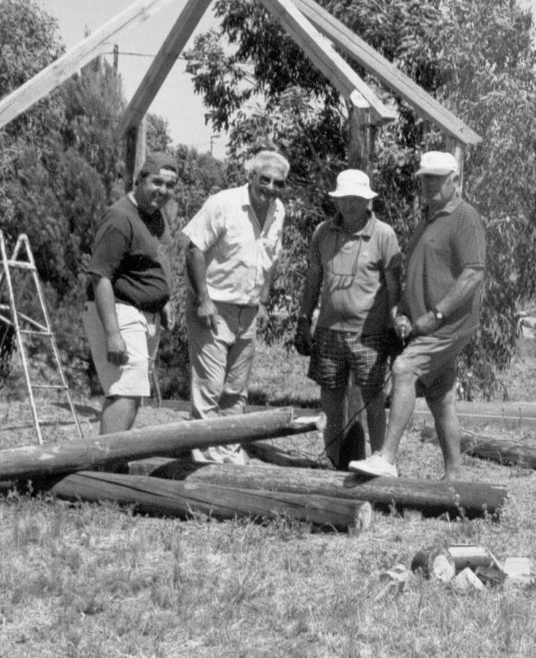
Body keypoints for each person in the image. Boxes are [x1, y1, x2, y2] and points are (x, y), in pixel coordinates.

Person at [350, 150, 486, 481]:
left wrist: (437, 314)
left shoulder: (466, 217)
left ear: (455, 180)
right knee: (441, 399)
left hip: (450, 325)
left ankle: (387, 457)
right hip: (425, 323)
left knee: (404, 368)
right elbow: (423, 273)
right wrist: (406, 315)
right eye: (425, 178)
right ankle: (454, 478)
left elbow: (473, 274)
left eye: (437, 179)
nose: (429, 185)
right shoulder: (427, 217)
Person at [181, 149, 290, 463]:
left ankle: (228, 448)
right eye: (264, 179)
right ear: (251, 177)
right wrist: (203, 300)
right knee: (209, 385)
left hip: (248, 309)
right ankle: (202, 452)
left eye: (278, 183)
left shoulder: (278, 210)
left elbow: (270, 258)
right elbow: (194, 250)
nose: (270, 187)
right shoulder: (223, 203)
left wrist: (264, 303)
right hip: (214, 306)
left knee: (236, 388)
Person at [293, 169, 402, 470]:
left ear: (367, 201)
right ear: (336, 201)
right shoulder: (322, 233)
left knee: (373, 400)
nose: (350, 204)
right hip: (328, 331)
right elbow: (313, 280)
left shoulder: (383, 235)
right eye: (344, 199)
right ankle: (332, 459)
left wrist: (395, 326)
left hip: (369, 333)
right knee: (330, 399)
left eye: (357, 198)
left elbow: (394, 288)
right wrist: (304, 320)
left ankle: (382, 459)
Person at [81, 152, 179, 434]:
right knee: (125, 391)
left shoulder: (156, 215)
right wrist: (113, 333)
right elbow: (100, 276)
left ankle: (112, 461)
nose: (163, 191)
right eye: (156, 182)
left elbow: (156, 258)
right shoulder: (119, 217)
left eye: (170, 186)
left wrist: (164, 300)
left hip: (145, 313)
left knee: (133, 392)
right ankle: (105, 468)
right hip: (120, 310)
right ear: (139, 180)